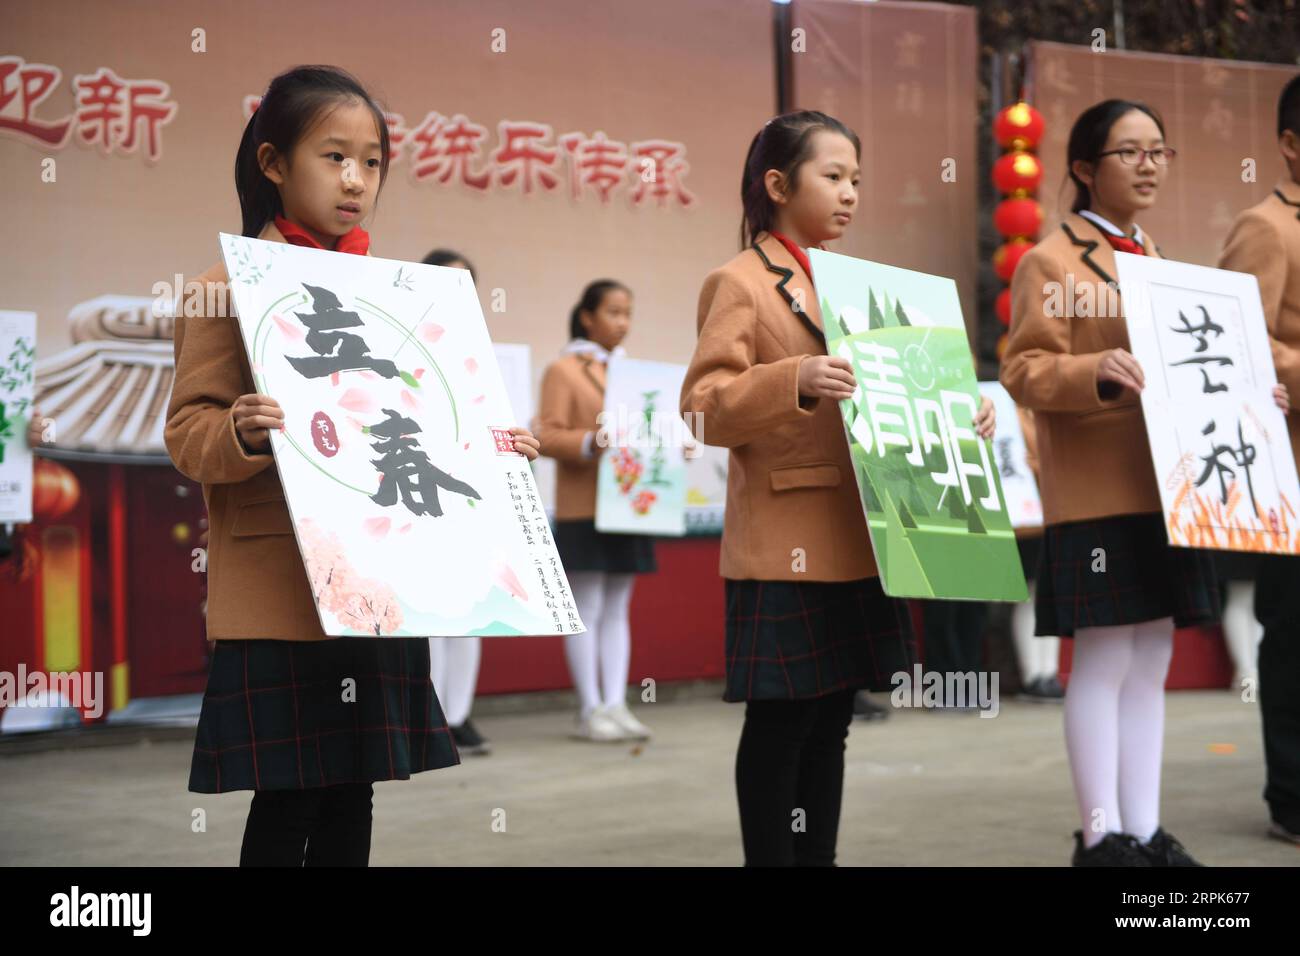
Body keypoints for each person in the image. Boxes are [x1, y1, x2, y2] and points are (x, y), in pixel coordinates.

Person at [165, 65, 541, 866]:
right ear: (272, 164)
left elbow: (423, 426)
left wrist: (492, 445)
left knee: (354, 789)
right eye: (334, 157)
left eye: (372, 162)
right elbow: (186, 432)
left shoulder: (398, 296)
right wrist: (240, 427)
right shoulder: (221, 289)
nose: (356, 181)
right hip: (281, 587)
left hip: (379, 578)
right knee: (290, 793)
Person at [681, 110, 994, 865]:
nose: (851, 193)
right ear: (778, 184)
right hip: (784, 540)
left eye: (857, 179)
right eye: (834, 176)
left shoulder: (864, 290)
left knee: (834, 722)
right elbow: (701, 409)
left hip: (866, 533)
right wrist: (793, 377)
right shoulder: (741, 281)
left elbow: (903, 397)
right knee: (782, 722)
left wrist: (959, 405)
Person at [1002, 98, 1288, 866]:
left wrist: (1253, 391)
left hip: (1171, 483)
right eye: (1130, 152)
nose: (1149, 164)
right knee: (1102, 660)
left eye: (1159, 150)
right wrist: (1093, 369)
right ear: (1086, 170)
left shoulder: (1161, 263)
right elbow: (1022, 369)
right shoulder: (1051, 261)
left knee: (1151, 658)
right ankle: (1100, 838)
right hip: (1096, 489)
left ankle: (1145, 829)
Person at [1217, 72, 1300, 846]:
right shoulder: (1267, 226)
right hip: (1291, 471)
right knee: (1297, 632)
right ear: (1289, 144)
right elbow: (1241, 341)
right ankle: (1292, 796)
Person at [536, 280, 657, 742]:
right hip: (584, 506)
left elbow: (648, 432)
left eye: (628, 313)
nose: (622, 322)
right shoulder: (564, 370)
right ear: (586, 315)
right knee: (586, 606)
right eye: (612, 312)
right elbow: (545, 434)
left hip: (629, 503)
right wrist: (589, 442)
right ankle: (590, 709)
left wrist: (670, 445)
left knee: (618, 608)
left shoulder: (636, 374)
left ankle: (616, 703)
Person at [420, 248, 491, 757]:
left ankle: (459, 714)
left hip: (472, 498)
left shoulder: (480, 355)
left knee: (469, 614)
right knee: (428, 616)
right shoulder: (399, 345)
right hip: (416, 495)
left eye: (465, 285)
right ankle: (428, 716)